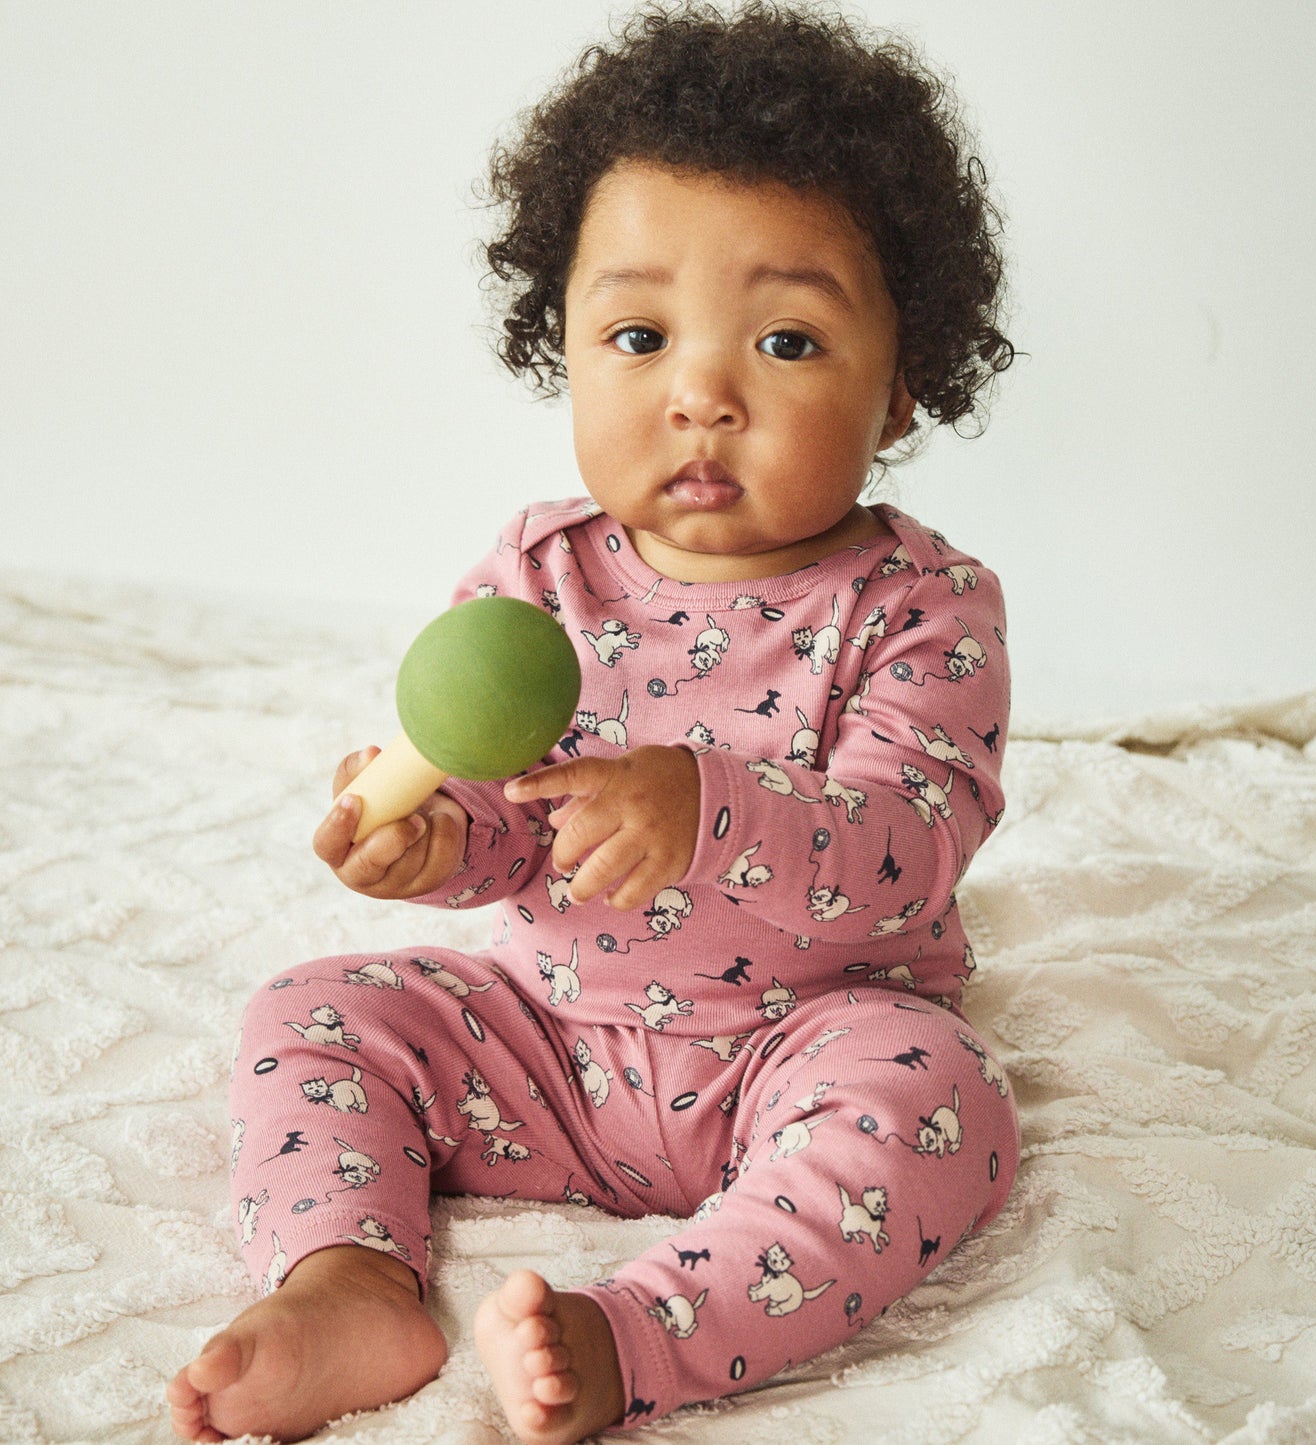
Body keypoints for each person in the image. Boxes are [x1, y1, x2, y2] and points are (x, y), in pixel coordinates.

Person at [168, 4, 1018, 1441]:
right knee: (316, 1008)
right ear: (557, 342)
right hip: (550, 1047)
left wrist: (708, 808)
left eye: (788, 339)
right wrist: (431, 840)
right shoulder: (538, 576)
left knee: (939, 1108)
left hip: (798, 1040)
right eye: (638, 332)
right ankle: (348, 1277)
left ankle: (634, 1336)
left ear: (902, 385)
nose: (700, 393)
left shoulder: (920, 602)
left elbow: (911, 842)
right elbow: (507, 829)